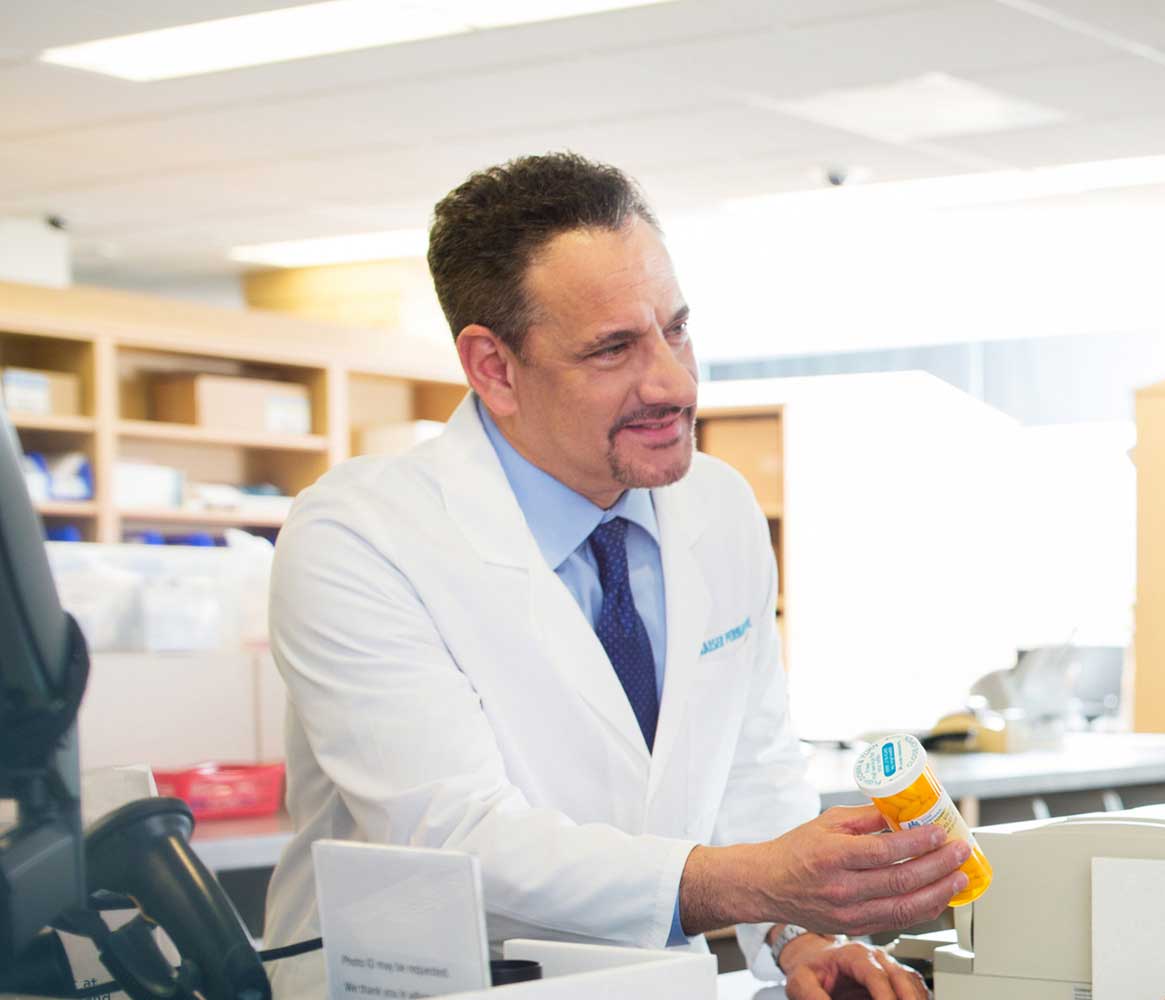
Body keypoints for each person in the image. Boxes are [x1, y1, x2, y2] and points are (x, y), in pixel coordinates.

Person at [264, 153, 954, 1000]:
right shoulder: (357, 535)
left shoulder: (717, 505)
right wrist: (751, 881)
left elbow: (749, 765)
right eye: (614, 349)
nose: (673, 381)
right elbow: (451, 836)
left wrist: (800, 936)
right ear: (493, 368)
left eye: (676, 329)